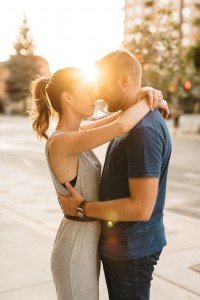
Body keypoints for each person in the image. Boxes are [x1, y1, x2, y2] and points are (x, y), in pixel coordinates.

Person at [29, 66, 168, 300]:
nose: (95, 96)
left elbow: (120, 117)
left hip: (87, 241)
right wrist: (149, 101)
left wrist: (148, 93)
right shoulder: (61, 143)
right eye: (88, 91)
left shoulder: (77, 132)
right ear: (68, 98)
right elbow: (121, 126)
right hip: (75, 245)